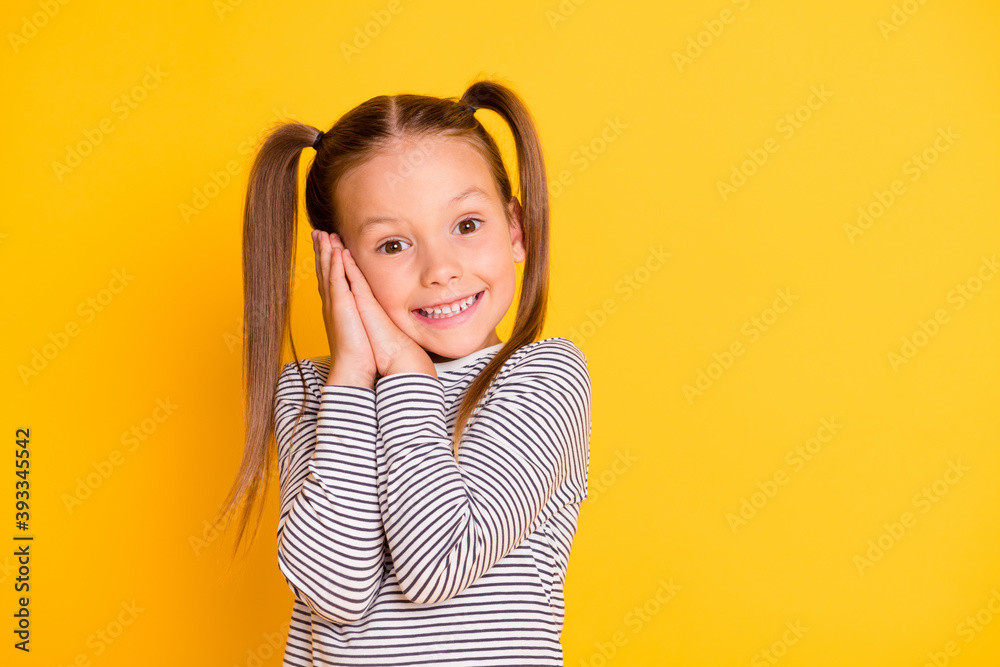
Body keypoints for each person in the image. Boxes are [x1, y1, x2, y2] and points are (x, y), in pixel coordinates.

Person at [222, 78, 592, 665]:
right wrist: (349, 374)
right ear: (339, 263)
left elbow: (437, 563)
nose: (440, 269)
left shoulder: (542, 376)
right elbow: (334, 589)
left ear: (515, 230)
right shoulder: (311, 393)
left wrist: (404, 373)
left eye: (467, 225)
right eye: (393, 245)